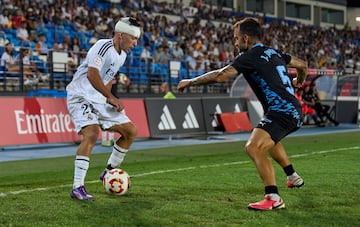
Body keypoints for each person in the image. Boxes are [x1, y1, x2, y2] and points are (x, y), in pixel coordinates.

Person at [177, 17, 307, 210]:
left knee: (253, 147)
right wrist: (299, 80)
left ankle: (273, 197)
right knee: (270, 141)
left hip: (283, 112)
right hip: (291, 110)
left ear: (246, 39)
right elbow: (302, 64)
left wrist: (190, 81)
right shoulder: (274, 52)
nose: (235, 43)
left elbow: (221, 75)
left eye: (236, 38)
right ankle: (293, 177)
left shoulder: (250, 56)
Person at [66, 17, 141, 201]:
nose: (135, 43)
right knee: (91, 134)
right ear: (121, 35)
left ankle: (108, 171)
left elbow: (106, 78)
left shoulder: (122, 55)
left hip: (99, 99)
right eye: (133, 39)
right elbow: (93, 74)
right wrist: (110, 96)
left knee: (130, 131)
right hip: (80, 95)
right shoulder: (102, 46)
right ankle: (77, 187)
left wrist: (107, 99)